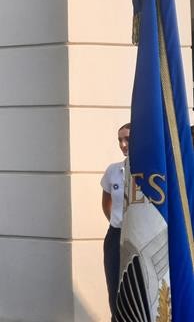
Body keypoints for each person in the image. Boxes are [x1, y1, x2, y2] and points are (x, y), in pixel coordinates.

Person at [101, 122, 130, 321]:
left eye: (127, 139)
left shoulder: (150, 171)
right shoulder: (113, 170)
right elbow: (106, 203)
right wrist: (115, 222)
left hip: (138, 236)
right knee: (114, 289)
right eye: (120, 140)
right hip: (116, 234)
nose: (123, 144)